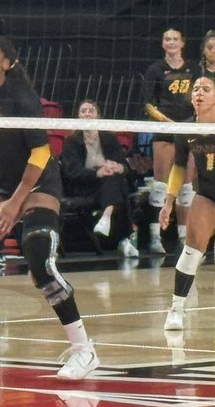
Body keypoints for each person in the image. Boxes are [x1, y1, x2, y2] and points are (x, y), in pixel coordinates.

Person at [0, 36, 100, 380]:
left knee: (39, 263)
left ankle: (83, 350)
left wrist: (16, 203)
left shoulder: (22, 99)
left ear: (8, 63)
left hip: (39, 184)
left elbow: (40, 154)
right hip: (3, 185)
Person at [161, 75, 215, 331]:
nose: (199, 93)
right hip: (207, 194)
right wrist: (168, 202)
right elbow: (179, 167)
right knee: (192, 250)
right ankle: (176, 309)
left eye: (206, 89)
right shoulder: (186, 130)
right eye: (195, 88)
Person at [61, 99, 139, 258]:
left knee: (115, 178)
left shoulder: (109, 138)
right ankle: (124, 238)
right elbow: (72, 172)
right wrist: (97, 173)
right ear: (78, 117)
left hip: (107, 183)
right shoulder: (71, 141)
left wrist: (120, 167)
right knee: (119, 186)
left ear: (98, 115)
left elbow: (124, 164)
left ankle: (106, 217)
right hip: (85, 185)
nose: (87, 114)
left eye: (91, 111)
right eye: (83, 111)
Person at [143, 27, 196, 254]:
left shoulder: (194, 69)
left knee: (186, 187)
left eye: (175, 38)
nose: (171, 42)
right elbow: (147, 104)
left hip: (190, 129)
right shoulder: (155, 70)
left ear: (182, 42)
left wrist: (190, 122)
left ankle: (185, 237)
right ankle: (156, 237)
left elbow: (201, 96)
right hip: (165, 130)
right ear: (162, 43)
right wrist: (168, 123)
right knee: (160, 186)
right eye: (167, 38)